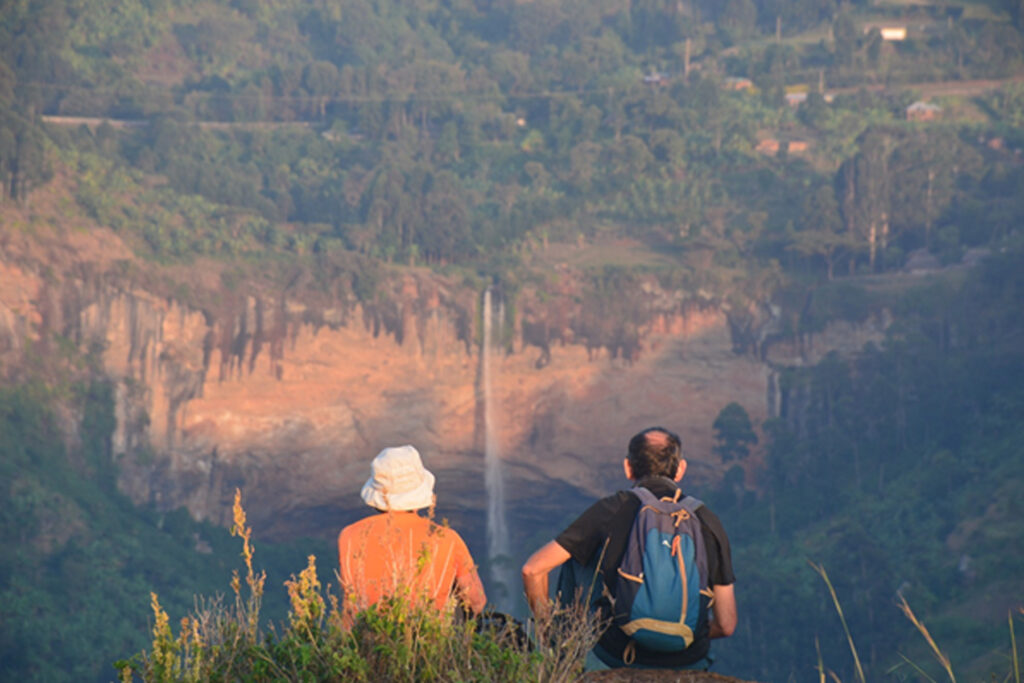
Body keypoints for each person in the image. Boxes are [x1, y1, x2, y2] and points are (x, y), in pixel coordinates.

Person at [521, 427, 736, 670]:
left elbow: (533, 570)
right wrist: (679, 633)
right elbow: (726, 624)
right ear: (680, 469)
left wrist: (546, 630)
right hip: (689, 657)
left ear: (628, 467)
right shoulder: (708, 520)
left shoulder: (612, 509)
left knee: (574, 555)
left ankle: (565, 657)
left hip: (622, 651)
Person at [338, 445, 487, 620]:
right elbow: (476, 602)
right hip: (427, 639)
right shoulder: (446, 538)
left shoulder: (349, 535)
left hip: (362, 638)